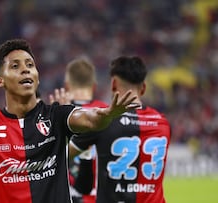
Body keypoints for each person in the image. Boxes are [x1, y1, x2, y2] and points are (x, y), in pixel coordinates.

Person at [0, 39, 138, 203]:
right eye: (15, 66)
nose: (25, 68)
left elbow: (89, 119)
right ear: (0, 81)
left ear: (37, 75)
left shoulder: (56, 115)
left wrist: (108, 114)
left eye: (30, 64)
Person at [69, 56, 171, 203]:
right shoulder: (163, 123)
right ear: (143, 88)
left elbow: (64, 155)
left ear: (114, 84)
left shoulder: (103, 120)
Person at [58, 56, 107, 203]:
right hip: (101, 196)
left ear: (67, 86)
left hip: (67, 195)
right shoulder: (106, 113)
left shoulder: (58, 113)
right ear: (94, 86)